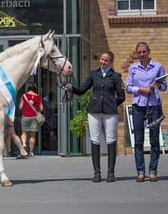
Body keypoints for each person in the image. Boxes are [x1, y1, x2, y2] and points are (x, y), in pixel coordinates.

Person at [67, 51, 125, 182]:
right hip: (94, 111)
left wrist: (111, 104)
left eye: (106, 60)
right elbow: (82, 90)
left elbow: (121, 96)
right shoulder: (94, 74)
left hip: (110, 113)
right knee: (95, 140)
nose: (103, 62)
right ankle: (97, 173)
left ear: (111, 62)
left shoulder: (116, 76)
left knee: (111, 140)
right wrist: (71, 88)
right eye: (102, 59)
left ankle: (111, 173)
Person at [125, 42, 167, 182]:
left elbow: (164, 86)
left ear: (148, 51)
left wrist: (158, 85)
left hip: (154, 106)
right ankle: (141, 171)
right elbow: (128, 88)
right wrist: (141, 90)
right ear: (137, 54)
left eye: (144, 52)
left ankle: (153, 170)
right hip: (138, 105)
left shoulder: (158, 66)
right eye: (139, 53)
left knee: (154, 139)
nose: (142, 54)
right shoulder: (133, 68)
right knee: (138, 140)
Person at [19, 81, 44, 157]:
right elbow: (41, 109)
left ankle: (23, 144)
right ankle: (31, 152)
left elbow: (20, 107)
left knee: (24, 132)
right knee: (32, 135)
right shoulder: (38, 97)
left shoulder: (24, 96)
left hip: (25, 116)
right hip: (34, 117)